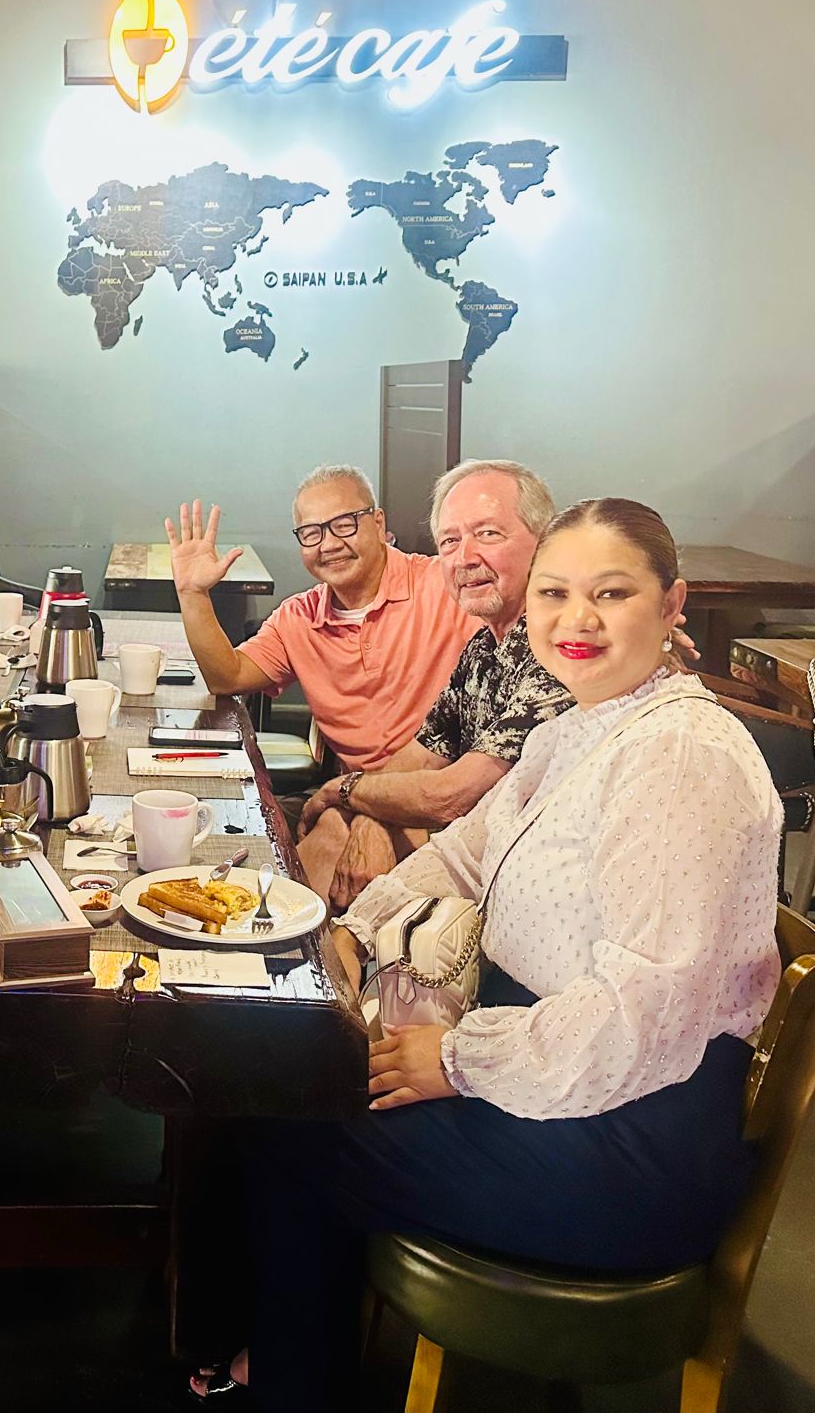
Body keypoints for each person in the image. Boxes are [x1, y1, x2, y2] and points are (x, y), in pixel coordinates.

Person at [196, 498, 784, 1408]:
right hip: (561, 1075)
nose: (576, 619)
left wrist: (459, 1059)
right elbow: (464, 853)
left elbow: (644, 1014)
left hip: (631, 1138)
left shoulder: (679, 757)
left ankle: (287, 1379)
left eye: (611, 594)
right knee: (289, 1084)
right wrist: (353, 930)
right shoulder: (578, 728)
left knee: (292, 1125)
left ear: (673, 606)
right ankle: (283, 1356)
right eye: (555, 594)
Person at [164, 464, 480, 874]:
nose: (328, 544)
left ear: (378, 523)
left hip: (450, 802)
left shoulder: (445, 586)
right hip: (354, 796)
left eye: (344, 524)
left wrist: (375, 813)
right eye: (311, 533)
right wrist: (192, 594)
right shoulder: (300, 617)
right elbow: (228, 677)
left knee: (314, 851)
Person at [295, 459, 573, 907]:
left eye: (488, 534)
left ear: (546, 542)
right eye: (450, 541)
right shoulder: (485, 645)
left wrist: (341, 791)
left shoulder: (561, 646)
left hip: (530, 876)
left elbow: (452, 795)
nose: (465, 558)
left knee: (336, 830)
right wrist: (366, 814)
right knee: (337, 829)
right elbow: (422, 754)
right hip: (471, 840)